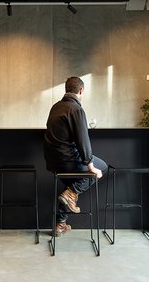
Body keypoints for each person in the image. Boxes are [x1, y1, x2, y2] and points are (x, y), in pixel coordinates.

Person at [44, 76, 108, 236]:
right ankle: (71, 193)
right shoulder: (76, 109)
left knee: (70, 185)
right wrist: (91, 165)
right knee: (102, 167)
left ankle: (60, 224)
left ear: (66, 89)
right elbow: (83, 140)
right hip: (68, 161)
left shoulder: (55, 107)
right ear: (81, 91)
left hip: (53, 162)